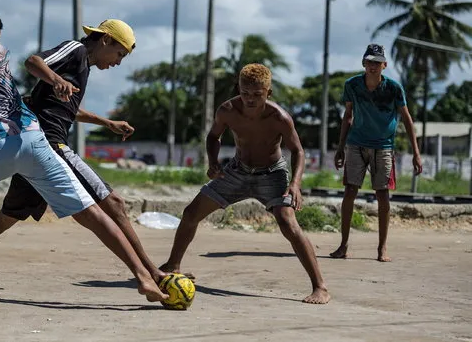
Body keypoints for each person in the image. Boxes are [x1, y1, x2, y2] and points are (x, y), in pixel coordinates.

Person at [0, 9, 167, 303]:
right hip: (43, 144)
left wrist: (105, 122)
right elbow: (20, 62)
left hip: (12, 146)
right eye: (119, 54)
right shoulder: (58, 51)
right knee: (95, 210)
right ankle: (147, 275)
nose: (118, 62)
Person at [159, 63, 331, 304]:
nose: (250, 99)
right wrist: (213, 162)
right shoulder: (227, 110)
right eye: (245, 93)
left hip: (272, 174)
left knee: (288, 223)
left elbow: (298, 151)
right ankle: (172, 265)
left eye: (257, 94)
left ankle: (320, 286)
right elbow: (213, 136)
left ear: (268, 93)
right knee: (190, 213)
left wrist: (295, 183)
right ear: (238, 88)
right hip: (236, 172)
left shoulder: (279, 117)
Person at [330, 44, 422, 262]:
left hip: (383, 146)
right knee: (350, 191)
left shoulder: (394, 88)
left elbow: (407, 120)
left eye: (377, 62)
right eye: (369, 62)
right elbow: (348, 116)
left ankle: (382, 248)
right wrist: (340, 147)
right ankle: (343, 245)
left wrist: (416, 153)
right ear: (363, 63)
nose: (372, 66)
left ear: (384, 65)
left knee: (382, 195)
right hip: (356, 144)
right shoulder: (352, 85)